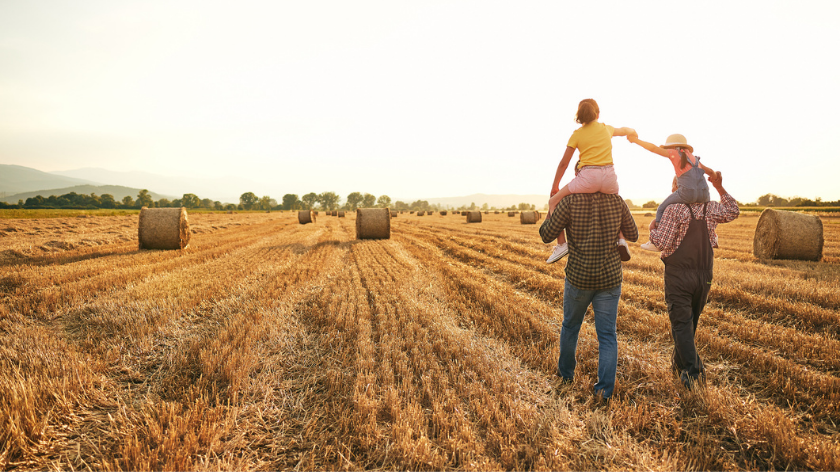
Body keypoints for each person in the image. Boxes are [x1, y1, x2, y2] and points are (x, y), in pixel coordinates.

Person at [539, 191, 638, 400]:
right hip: (609, 279)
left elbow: (546, 234)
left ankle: (566, 377)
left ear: (579, 175)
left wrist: (551, 207)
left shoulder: (569, 201)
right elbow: (634, 234)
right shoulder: (617, 200)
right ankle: (604, 392)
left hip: (578, 278)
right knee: (607, 335)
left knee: (570, 327)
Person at [648, 171, 739, 389]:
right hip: (705, 274)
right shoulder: (712, 208)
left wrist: (652, 229)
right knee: (690, 324)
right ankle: (678, 366)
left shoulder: (674, 209)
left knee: (681, 324)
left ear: (677, 189)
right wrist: (719, 187)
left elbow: (661, 242)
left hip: (678, 274)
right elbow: (734, 210)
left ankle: (694, 373)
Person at [547, 98, 636, 264]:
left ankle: (561, 244)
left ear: (579, 116)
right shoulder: (606, 128)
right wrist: (633, 131)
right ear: (598, 113)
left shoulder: (577, 134)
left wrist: (555, 186)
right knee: (616, 202)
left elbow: (564, 163)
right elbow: (624, 129)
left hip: (588, 177)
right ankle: (622, 239)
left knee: (553, 201)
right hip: (610, 177)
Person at [627, 133, 716, 251]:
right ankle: (713, 235)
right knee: (704, 212)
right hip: (704, 194)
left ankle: (656, 241)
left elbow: (653, 148)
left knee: (661, 209)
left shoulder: (674, 153)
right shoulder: (694, 159)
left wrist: (636, 141)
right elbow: (709, 171)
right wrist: (715, 177)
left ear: (672, 147)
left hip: (687, 193)